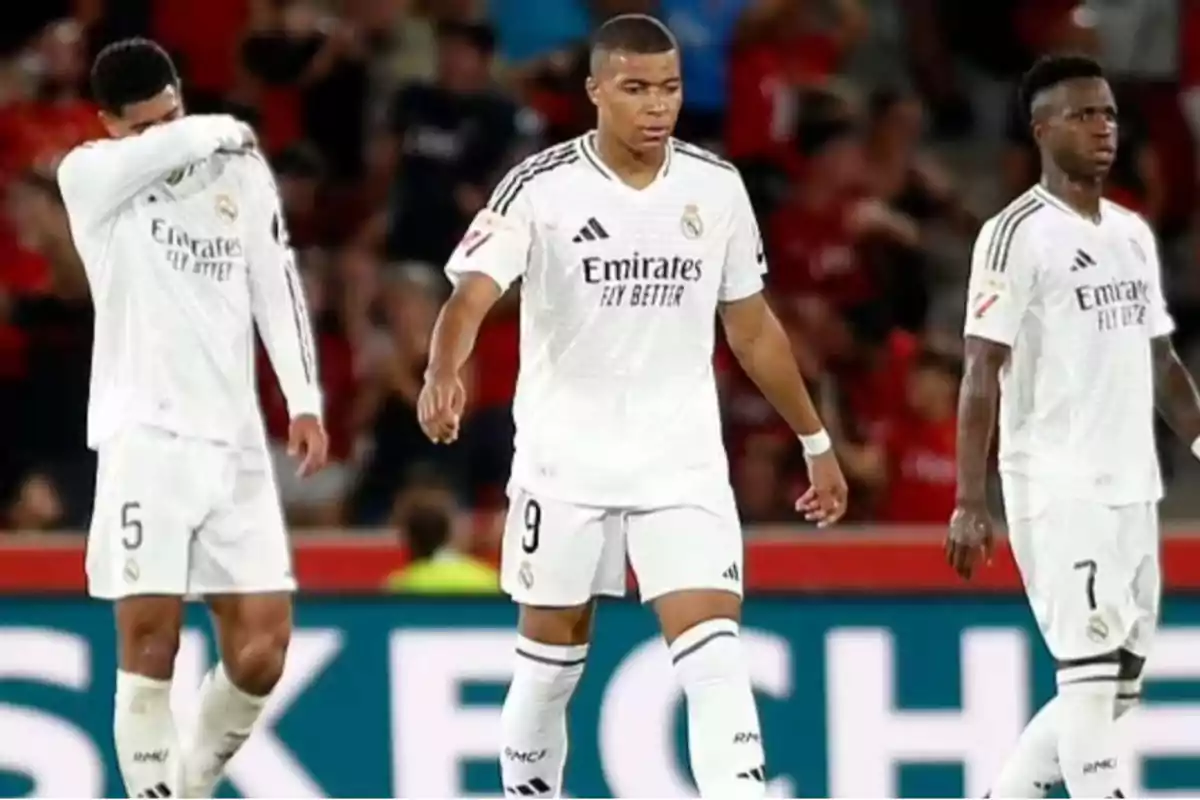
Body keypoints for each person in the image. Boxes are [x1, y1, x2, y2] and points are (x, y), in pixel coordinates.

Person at [417, 14, 848, 799]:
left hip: (679, 461)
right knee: (550, 666)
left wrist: (814, 438)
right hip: (565, 460)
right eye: (636, 88)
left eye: (671, 88)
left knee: (715, 650)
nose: (657, 106)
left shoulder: (714, 188)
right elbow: (472, 293)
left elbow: (751, 327)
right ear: (595, 92)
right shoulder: (540, 186)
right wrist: (444, 368)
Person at [55, 38, 329, 798]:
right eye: (143, 128)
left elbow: (275, 283)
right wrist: (216, 125)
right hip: (145, 436)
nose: (162, 136)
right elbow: (199, 135)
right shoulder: (91, 177)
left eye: (170, 115)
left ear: (181, 94)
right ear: (109, 124)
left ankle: (190, 785)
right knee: (151, 642)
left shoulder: (237, 170)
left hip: (235, 442)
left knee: (262, 652)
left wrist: (302, 398)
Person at [948, 54, 1200, 798]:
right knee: (1087, 673)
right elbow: (978, 368)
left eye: (1111, 114)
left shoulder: (1129, 233)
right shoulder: (1014, 234)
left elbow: (1163, 363)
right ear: (1040, 130)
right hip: (1056, 481)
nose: (1103, 128)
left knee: (1116, 686)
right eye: (1084, 114)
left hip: (1131, 485)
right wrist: (970, 497)